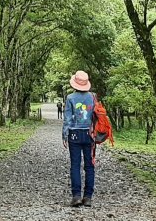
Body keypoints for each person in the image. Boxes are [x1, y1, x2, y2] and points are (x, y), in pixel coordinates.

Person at [62, 70, 97, 208]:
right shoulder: (92, 97)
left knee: (75, 165)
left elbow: (67, 119)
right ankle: (88, 197)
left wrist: (65, 135)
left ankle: (76, 196)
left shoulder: (70, 98)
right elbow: (95, 117)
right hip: (90, 134)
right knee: (89, 166)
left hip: (74, 134)